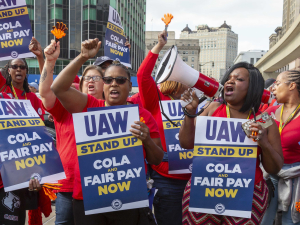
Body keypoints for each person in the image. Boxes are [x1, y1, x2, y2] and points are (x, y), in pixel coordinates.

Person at [50, 38, 164, 225]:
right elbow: (58, 88)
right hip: (88, 197)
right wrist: (82, 57)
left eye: (120, 80)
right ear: (103, 85)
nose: (114, 84)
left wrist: (147, 140)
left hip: (128, 199)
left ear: (129, 86)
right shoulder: (90, 106)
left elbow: (157, 159)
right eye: (108, 80)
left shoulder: (141, 115)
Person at [179, 62, 283, 224]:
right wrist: (190, 114)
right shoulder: (213, 109)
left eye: (239, 79)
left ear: (252, 87)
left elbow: (274, 168)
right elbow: (186, 143)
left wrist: (264, 143)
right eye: (229, 78)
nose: (229, 81)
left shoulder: (264, 120)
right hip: (205, 189)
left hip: (248, 195)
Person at [136, 30, 190, 225]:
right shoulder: (156, 100)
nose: (190, 84)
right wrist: (158, 47)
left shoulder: (194, 105)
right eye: (186, 80)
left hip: (194, 178)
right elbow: (142, 76)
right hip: (166, 179)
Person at [261, 70, 300, 225]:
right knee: (264, 220)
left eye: (277, 83)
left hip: (296, 177)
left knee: (290, 221)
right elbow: (251, 133)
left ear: (292, 86)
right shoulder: (268, 112)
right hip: (270, 175)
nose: (272, 88)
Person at [0, 92, 43, 225]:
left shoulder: (8, 101)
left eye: (23, 68)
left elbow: (28, 140)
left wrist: (34, 174)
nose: (19, 69)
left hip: (9, 183)